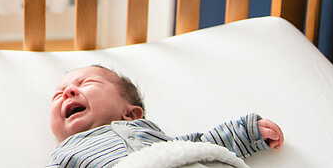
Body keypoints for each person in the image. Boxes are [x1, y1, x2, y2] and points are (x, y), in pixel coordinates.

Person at [47, 65, 284, 167]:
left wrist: (248, 132)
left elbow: (204, 145)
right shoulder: (66, 153)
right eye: (58, 95)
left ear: (130, 114)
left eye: (86, 83)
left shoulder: (153, 137)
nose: (67, 92)